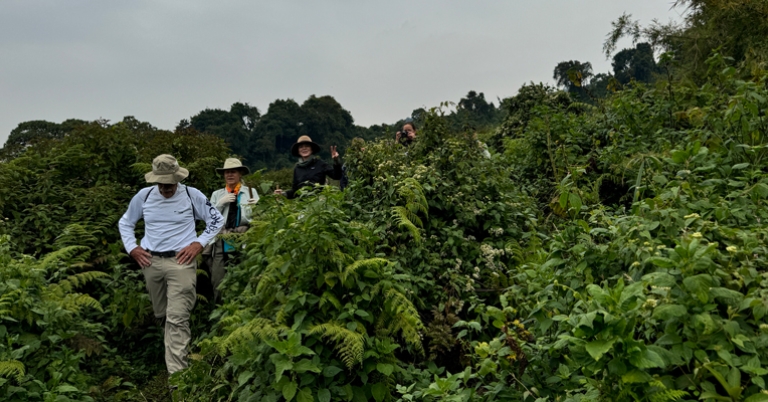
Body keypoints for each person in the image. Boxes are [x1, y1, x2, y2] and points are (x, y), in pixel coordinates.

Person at [118, 154, 224, 375]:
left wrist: (199, 243)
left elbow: (216, 219)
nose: (166, 189)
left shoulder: (191, 195)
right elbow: (126, 222)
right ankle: (176, 353)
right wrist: (132, 248)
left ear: (178, 178)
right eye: (161, 184)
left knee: (177, 318)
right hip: (151, 261)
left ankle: (178, 382)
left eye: (170, 184)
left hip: (181, 262)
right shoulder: (144, 196)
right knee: (163, 315)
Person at [206, 158, 258, 302]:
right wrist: (220, 204)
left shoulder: (250, 192)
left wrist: (258, 207)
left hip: (244, 239)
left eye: (233, 172)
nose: (230, 175)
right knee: (218, 280)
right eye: (227, 172)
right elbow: (209, 218)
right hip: (221, 240)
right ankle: (220, 311)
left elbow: (258, 218)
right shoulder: (217, 194)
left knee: (243, 277)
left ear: (240, 173)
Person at [274, 135, 342, 199]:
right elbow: (295, 191)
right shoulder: (297, 168)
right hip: (303, 205)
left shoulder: (320, 164)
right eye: (301, 147)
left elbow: (337, 176)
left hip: (319, 202)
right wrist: (283, 194)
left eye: (307, 146)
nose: (304, 148)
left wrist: (336, 161)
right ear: (298, 151)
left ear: (312, 149)